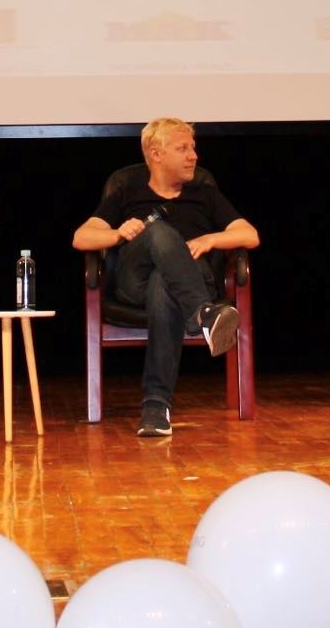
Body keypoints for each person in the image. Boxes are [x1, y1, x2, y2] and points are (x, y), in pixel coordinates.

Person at [72, 118, 259, 438]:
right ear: (156, 154)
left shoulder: (204, 193)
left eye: (193, 148)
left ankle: (156, 407)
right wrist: (117, 234)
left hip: (189, 279)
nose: (193, 156)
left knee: (164, 283)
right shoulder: (127, 192)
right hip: (135, 283)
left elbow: (249, 234)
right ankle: (203, 313)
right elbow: (81, 238)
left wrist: (211, 239)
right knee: (157, 231)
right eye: (183, 148)